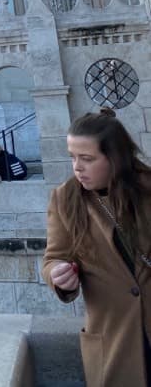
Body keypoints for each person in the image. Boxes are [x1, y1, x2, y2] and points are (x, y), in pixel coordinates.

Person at [43, 108, 151, 386]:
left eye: (87, 159)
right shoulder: (65, 199)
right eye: (72, 157)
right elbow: (54, 257)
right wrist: (58, 275)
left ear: (115, 159)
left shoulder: (147, 188)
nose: (77, 167)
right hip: (114, 340)